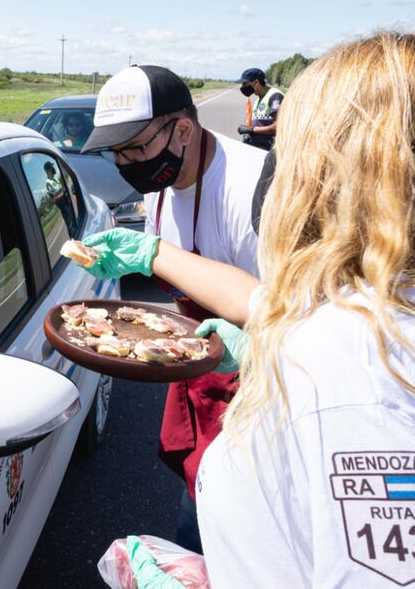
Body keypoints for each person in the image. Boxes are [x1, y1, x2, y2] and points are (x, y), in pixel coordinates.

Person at [81, 32, 415, 587]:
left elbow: (284, 308)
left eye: (294, 148)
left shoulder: (359, 378)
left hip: (254, 397)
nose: (281, 170)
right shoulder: (380, 313)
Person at [80, 64, 267, 552]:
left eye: (134, 148)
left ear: (182, 130)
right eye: (115, 153)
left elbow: (288, 309)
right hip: (203, 380)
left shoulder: (255, 188)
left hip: (262, 392)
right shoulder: (160, 186)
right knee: (199, 510)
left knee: (245, 532)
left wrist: (253, 348)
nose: (124, 164)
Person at [235, 67, 283, 150]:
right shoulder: (258, 100)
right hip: (258, 147)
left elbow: (278, 127)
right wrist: (249, 131)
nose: (242, 87)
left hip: (271, 149)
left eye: (245, 84)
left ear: (256, 82)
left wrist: (252, 129)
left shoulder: (275, 96)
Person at [44, 160, 76, 232]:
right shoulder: (48, 183)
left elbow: (61, 189)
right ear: (48, 170)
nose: (53, 168)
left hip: (67, 203)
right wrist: (63, 193)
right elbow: (54, 199)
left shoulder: (55, 178)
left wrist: (63, 191)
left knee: (74, 221)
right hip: (64, 207)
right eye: (52, 167)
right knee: (71, 226)